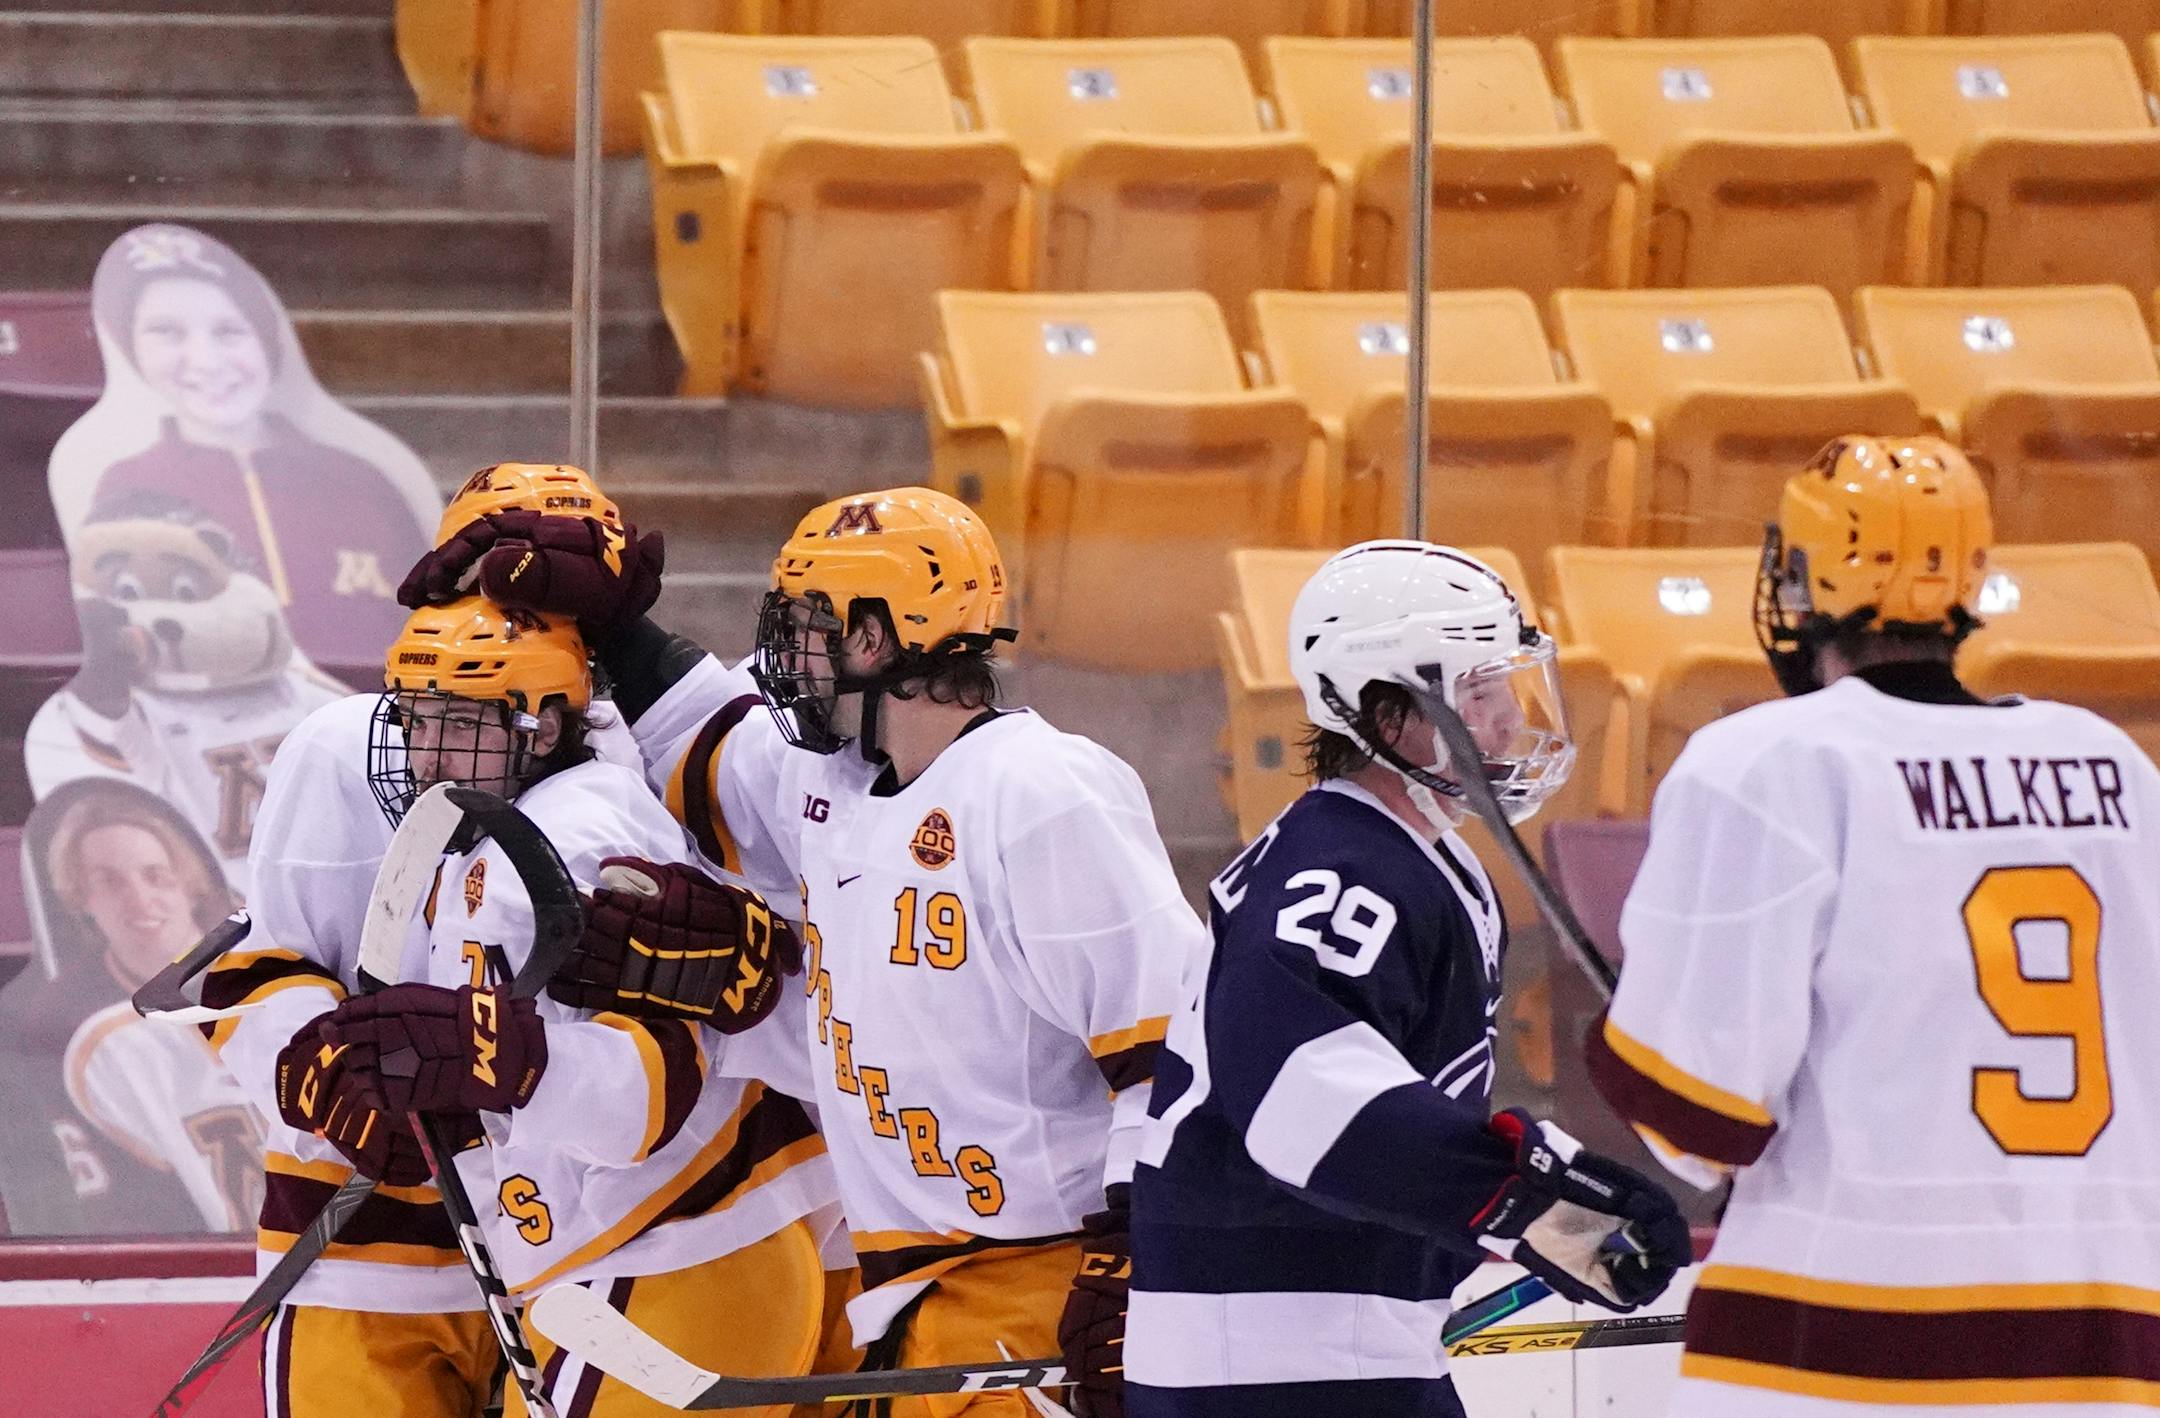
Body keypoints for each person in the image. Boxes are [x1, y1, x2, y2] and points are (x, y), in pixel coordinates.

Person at [411, 485, 1209, 1418]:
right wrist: (748, 993)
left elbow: (1176, 1048)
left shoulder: (1041, 793)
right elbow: (707, 746)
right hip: (918, 1297)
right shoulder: (833, 790)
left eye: (806, 630)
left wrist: (1139, 1258)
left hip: (1046, 1281)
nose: (784, 662)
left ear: (875, 639)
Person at [193, 465, 789, 1418]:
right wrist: (316, 1072)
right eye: (496, 581)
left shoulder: (634, 766)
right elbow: (257, 965)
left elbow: (789, 946)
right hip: (368, 1232)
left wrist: (753, 959)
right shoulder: (344, 748)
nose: (503, 614)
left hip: (582, 1231)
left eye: (551, 594)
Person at [1586, 435, 2160, 1414]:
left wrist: (1614, 1039)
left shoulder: (1766, 763)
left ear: (1804, 581)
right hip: (2102, 1346)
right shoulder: (2116, 768)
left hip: (1839, 1351)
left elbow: (1700, 1120)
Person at [1126, 541, 1690, 1418]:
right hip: (1278, 1364)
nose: (1508, 718)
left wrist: (1508, 1214)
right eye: (1478, 691)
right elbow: (1300, 1095)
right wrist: (1531, 1196)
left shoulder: (1394, 854)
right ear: (1388, 717)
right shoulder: (1342, 876)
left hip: (1326, 1347)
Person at [274, 595, 837, 1418]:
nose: (430, 754)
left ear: (540, 727)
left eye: (460, 725)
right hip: (610, 1261)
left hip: (679, 1252)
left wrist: (497, 1060)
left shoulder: (575, 831)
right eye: (418, 722)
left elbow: (653, 1091)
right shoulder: (477, 837)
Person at [48, 223, 440, 676]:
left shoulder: (361, 480)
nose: (206, 360)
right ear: (132, 349)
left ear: (267, 341)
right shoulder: (126, 489)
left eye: (230, 331)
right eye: (167, 333)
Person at [26, 491, 346, 895]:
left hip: (332, 883)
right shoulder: (121, 706)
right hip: (239, 906)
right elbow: (103, 722)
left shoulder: (290, 674)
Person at [0, 780, 258, 1235]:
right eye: (109, 882)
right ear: (81, 899)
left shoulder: (277, 976)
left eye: (157, 876)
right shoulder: (61, 1029)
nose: (140, 900)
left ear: (191, 882)